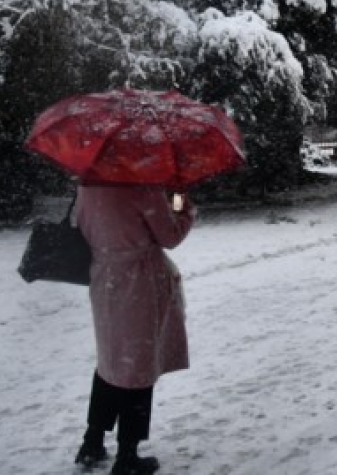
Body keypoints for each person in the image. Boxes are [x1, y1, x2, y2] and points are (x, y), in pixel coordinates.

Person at [73, 184, 194, 475]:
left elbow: (80, 225)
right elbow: (170, 235)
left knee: (111, 362)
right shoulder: (143, 190)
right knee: (137, 368)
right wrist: (181, 200)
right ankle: (127, 456)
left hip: (105, 278)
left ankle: (92, 443)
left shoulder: (88, 185)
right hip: (139, 283)